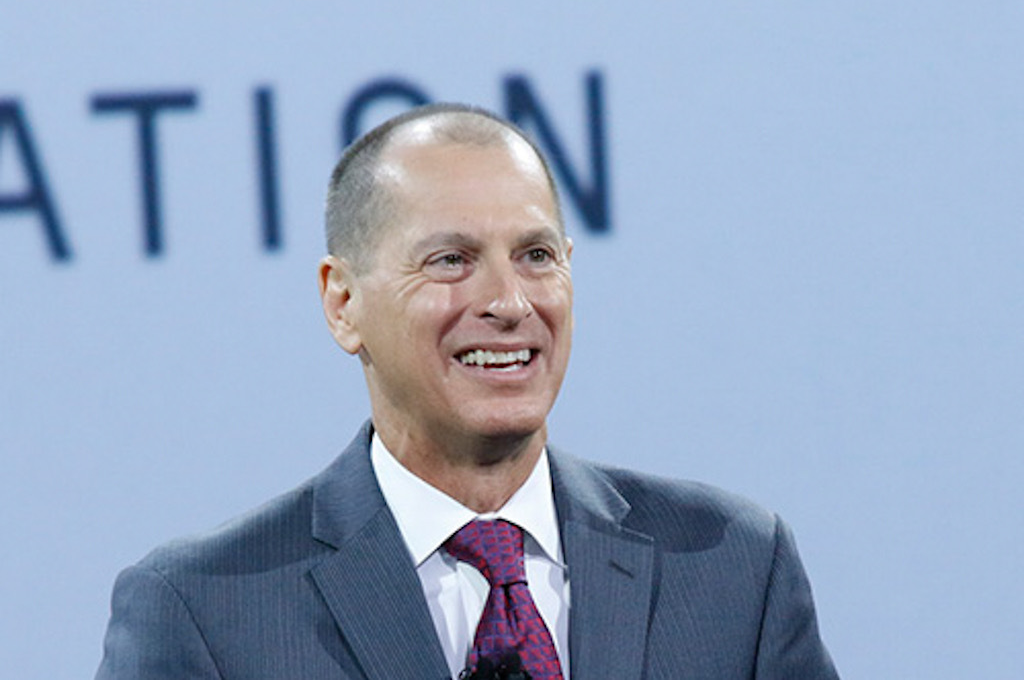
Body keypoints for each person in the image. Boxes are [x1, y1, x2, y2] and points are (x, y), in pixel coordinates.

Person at [95, 103, 840, 679]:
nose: (510, 302)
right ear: (343, 303)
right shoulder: (205, 611)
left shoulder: (733, 568)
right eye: (451, 260)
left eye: (536, 255)